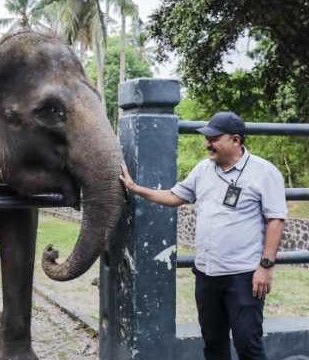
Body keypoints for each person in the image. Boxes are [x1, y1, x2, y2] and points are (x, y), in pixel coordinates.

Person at [120, 111, 287, 360]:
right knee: (212, 343)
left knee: (247, 343)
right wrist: (135, 189)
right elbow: (175, 197)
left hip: (242, 275)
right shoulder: (203, 169)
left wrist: (265, 267)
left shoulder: (264, 172)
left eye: (214, 138)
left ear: (236, 140)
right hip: (206, 275)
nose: (207, 143)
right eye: (207, 138)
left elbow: (276, 220)